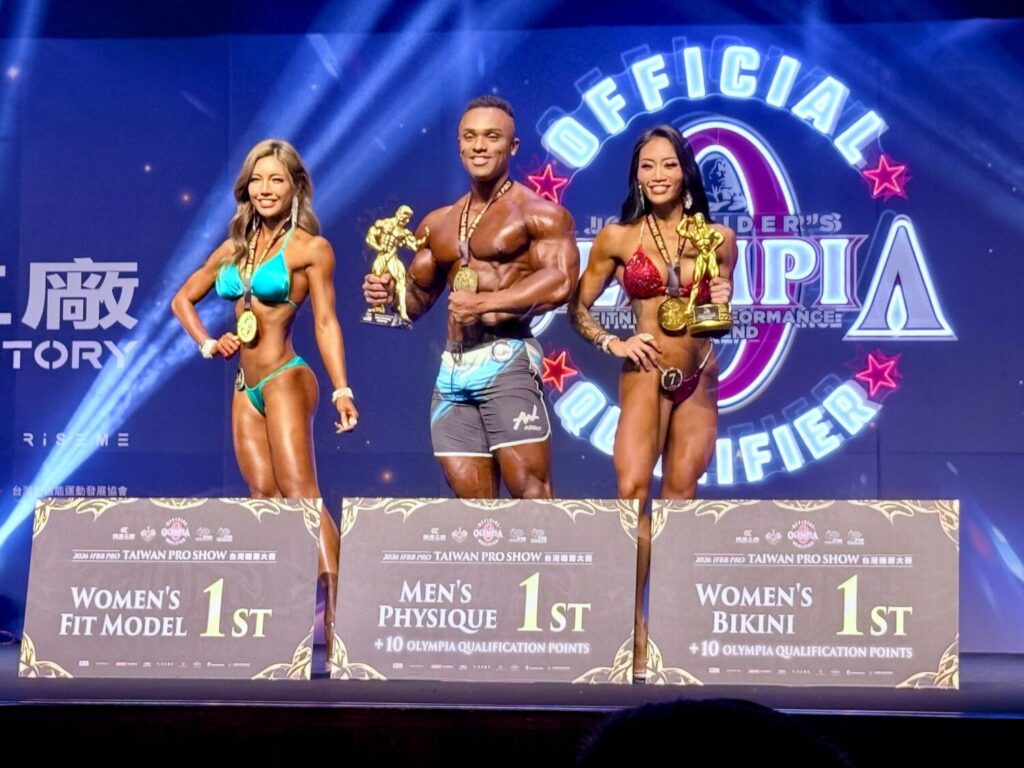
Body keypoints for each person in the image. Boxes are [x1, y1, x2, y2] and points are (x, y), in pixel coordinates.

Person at [171, 139, 357, 650]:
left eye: (276, 179)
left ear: (295, 187)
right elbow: (183, 298)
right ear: (245, 188)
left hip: (286, 377)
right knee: (264, 497)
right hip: (245, 385)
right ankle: (285, 621)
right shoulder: (235, 247)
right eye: (257, 179)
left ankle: (341, 620)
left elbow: (326, 322)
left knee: (301, 496)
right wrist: (209, 342)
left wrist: (342, 389)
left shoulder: (310, 249)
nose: (265, 189)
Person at [567, 125, 736, 679]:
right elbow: (577, 308)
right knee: (632, 493)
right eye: (647, 166)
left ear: (685, 173)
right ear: (636, 176)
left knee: (681, 499)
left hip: (699, 375)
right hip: (644, 372)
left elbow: (717, 317)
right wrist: (612, 342)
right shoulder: (617, 238)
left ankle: (669, 628)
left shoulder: (718, 239)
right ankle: (630, 626)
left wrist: (724, 298)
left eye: (668, 165)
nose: (658, 175)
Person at [363, 95, 579, 498]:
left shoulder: (538, 213)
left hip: (507, 357)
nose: (479, 146)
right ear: (460, 145)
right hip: (453, 367)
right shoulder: (438, 223)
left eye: (492, 137)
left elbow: (560, 282)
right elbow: (418, 298)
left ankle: (542, 547)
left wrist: (485, 303)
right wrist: (390, 294)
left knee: (530, 490)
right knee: (470, 499)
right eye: (470, 137)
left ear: (512, 146)